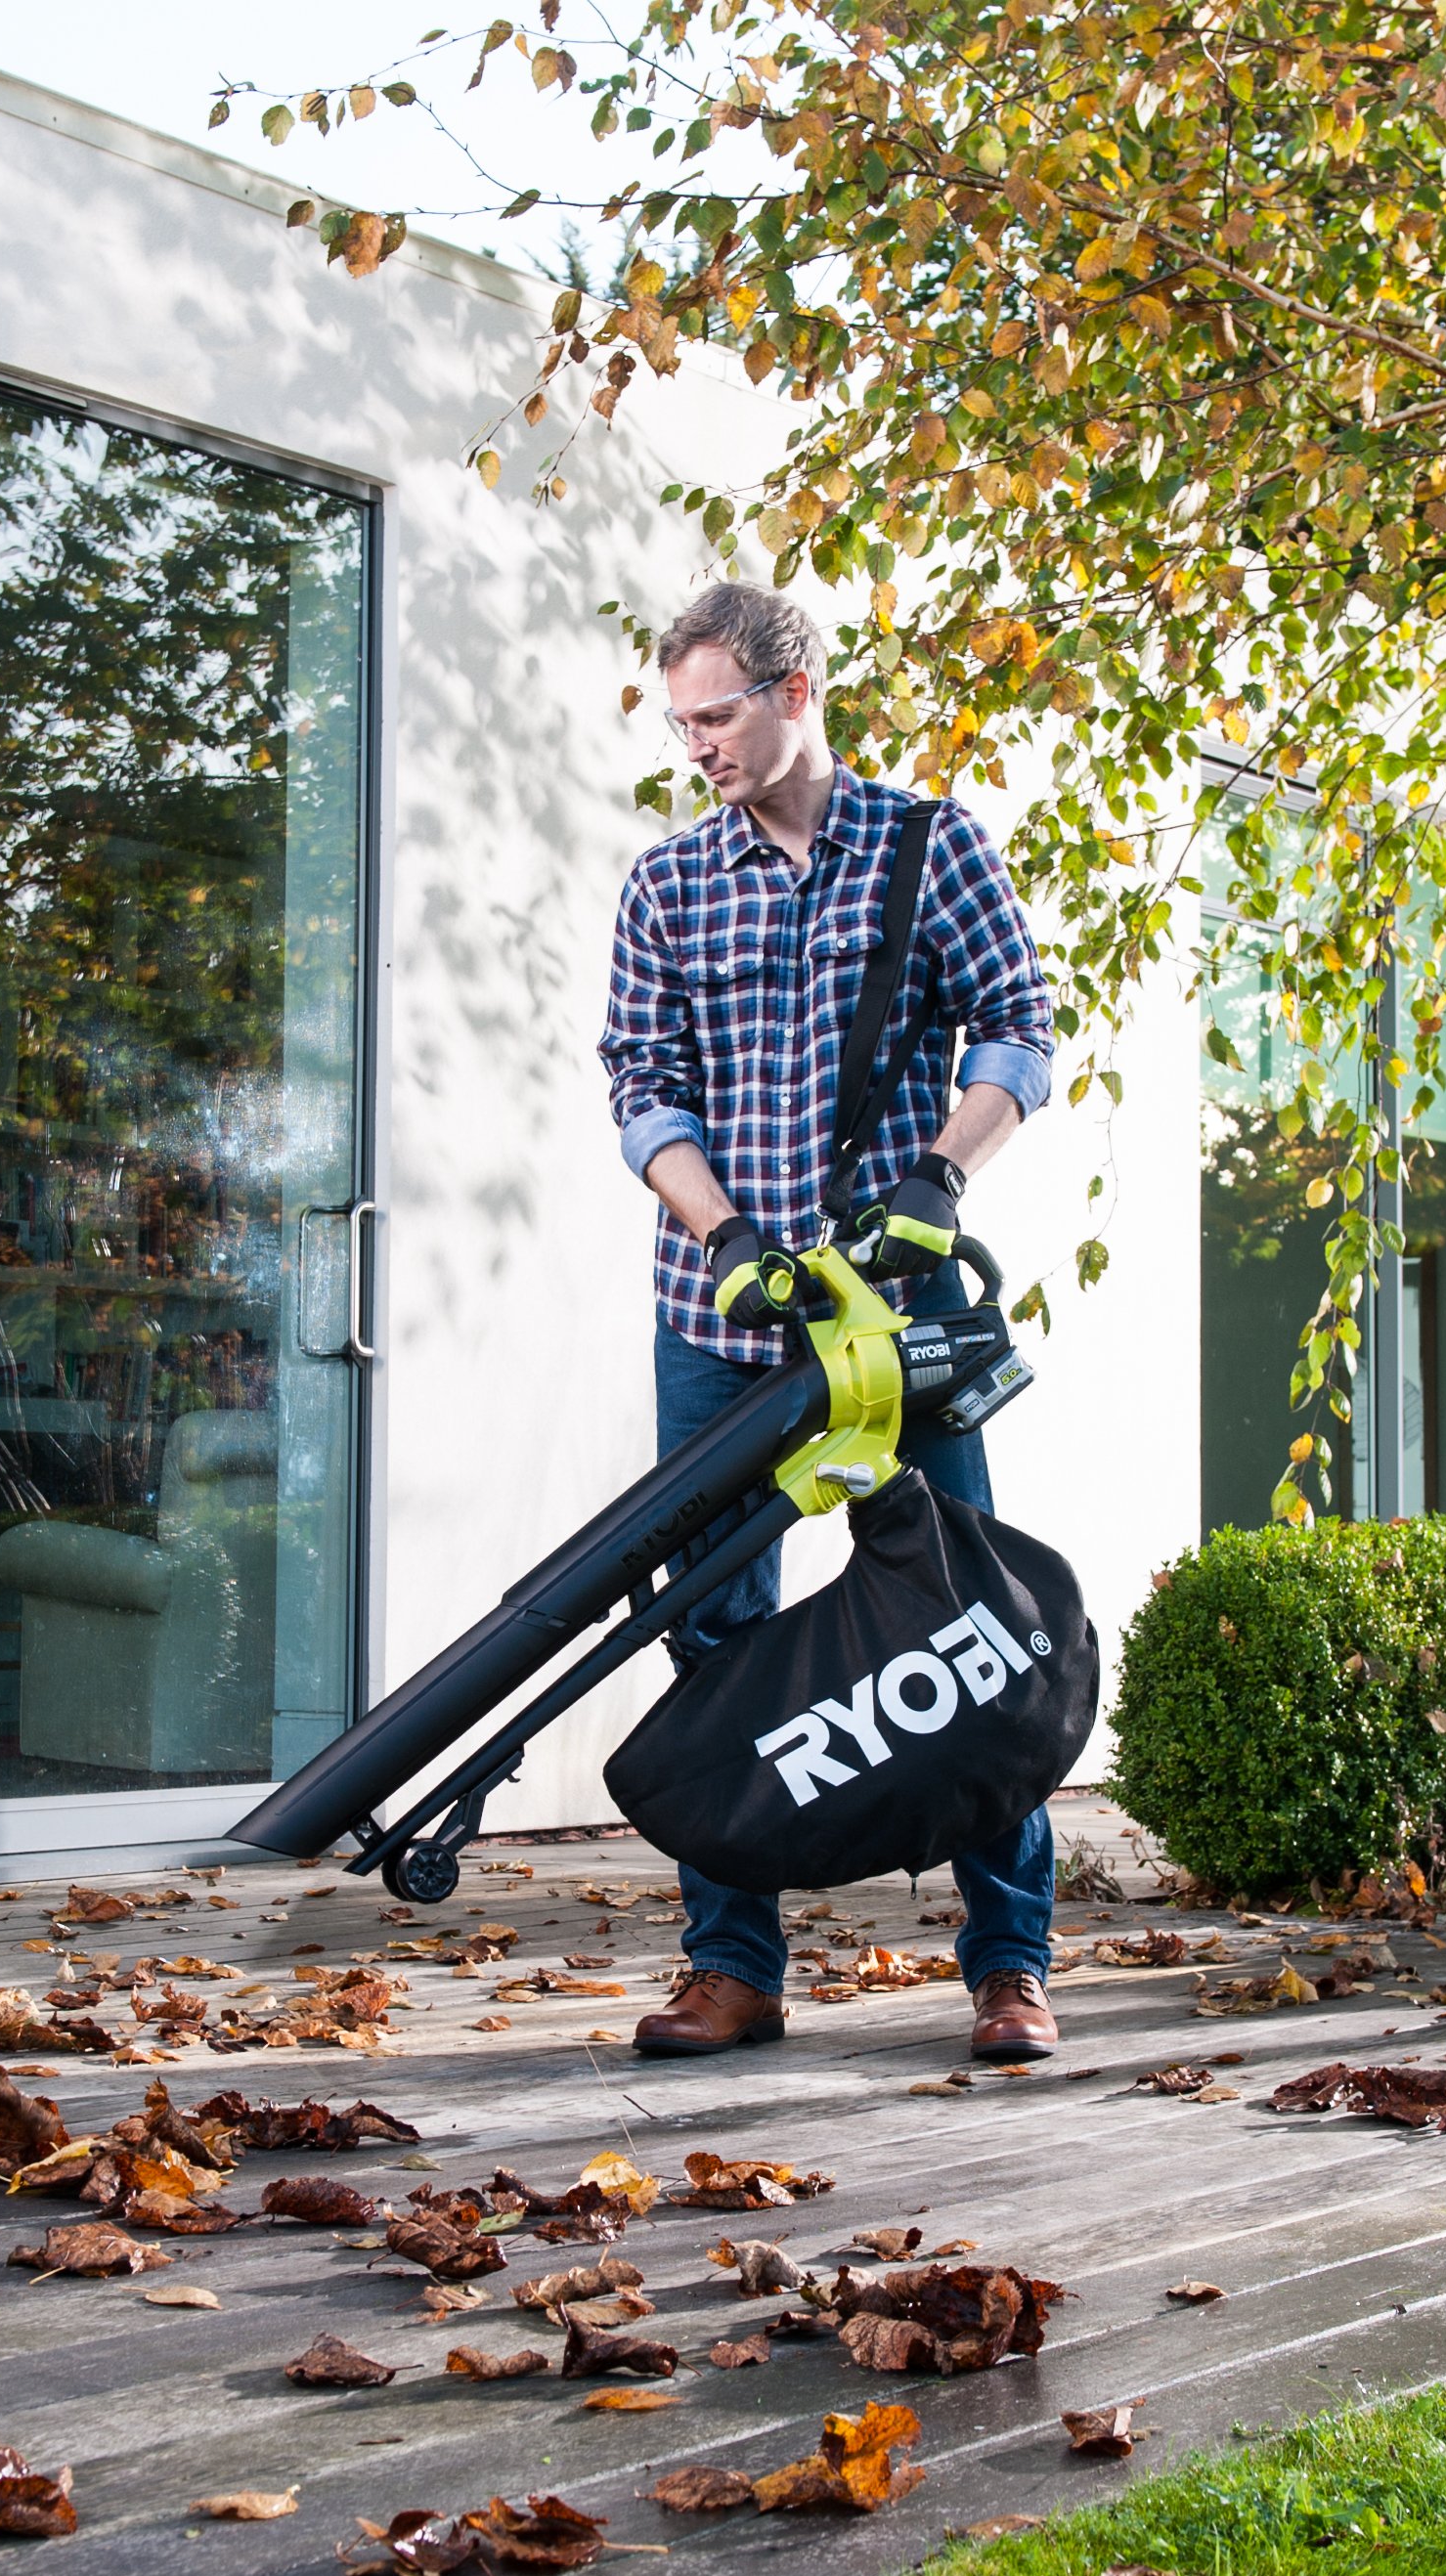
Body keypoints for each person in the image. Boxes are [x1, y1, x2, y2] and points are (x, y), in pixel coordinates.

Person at [597, 580, 1066, 2063]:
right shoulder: (669, 884)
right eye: (682, 724)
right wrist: (723, 1232)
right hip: (720, 1324)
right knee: (718, 1640)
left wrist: (943, 1172)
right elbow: (642, 1090)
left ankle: (1009, 1965)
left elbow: (1017, 1027)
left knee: (969, 1627)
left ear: (797, 694)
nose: (701, 748)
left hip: (897, 1319)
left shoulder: (931, 848)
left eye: (719, 714)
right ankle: (731, 1968)